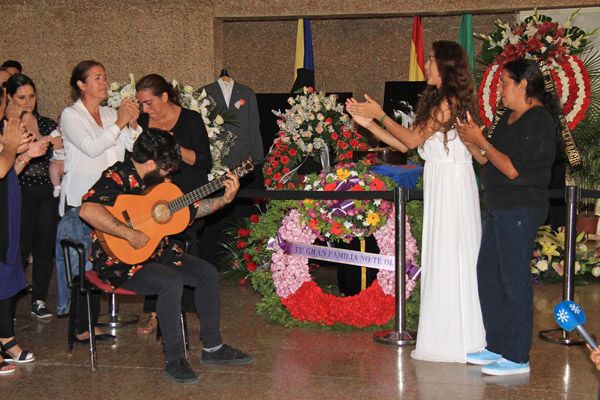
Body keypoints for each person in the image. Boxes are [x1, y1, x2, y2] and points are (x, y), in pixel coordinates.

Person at [345, 40, 485, 363]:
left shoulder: (449, 102)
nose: (427, 65)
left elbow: (409, 138)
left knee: (452, 257)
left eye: (432, 59)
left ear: (447, 66)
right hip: (442, 185)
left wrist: (381, 112)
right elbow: (405, 146)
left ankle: (459, 338)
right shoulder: (438, 100)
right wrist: (369, 124)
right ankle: (443, 334)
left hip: (452, 189)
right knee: (441, 258)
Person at [79, 129, 253, 384]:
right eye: (164, 169)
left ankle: (213, 349)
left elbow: (191, 208)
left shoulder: (160, 184)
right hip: (121, 263)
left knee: (206, 274)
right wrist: (127, 233)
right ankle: (175, 359)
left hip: (158, 254)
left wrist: (223, 200)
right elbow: (87, 210)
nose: (168, 174)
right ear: (149, 163)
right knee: (169, 281)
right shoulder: (117, 176)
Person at [456, 59, 558, 375]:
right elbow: (490, 162)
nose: (500, 89)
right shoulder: (508, 119)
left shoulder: (538, 119)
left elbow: (512, 169)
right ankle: (496, 345)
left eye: (504, 83)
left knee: (513, 280)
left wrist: (481, 140)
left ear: (523, 85)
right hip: (499, 206)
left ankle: (516, 356)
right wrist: (470, 141)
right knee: (488, 275)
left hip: (520, 207)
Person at [55, 60, 140, 331]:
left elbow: (129, 146)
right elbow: (92, 148)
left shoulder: (108, 113)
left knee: (99, 261)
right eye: (97, 78)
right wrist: (120, 122)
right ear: (81, 84)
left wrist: (132, 124)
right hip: (81, 200)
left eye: (104, 77)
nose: (103, 82)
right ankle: (80, 327)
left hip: (108, 201)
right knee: (81, 265)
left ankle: (89, 324)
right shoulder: (71, 116)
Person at [135, 73, 212, 334]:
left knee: (181, 250)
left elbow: (204, 161)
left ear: (164, 97)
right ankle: (157, 313)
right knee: (153, 249)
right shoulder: (143, 122)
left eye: (149, 103)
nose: (146, 109)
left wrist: (172, 146)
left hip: (188, 196)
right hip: (155, 200)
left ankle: (186, 311)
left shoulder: (190, 119)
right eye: (141, 104)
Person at [5, 73, 61, 319]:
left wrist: (40, 135)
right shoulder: (7, 127)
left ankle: (39, 298)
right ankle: (10, 300)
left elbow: (60, 149)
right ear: (8, 97)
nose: (28, 102)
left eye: (32, 96)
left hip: (47, 190)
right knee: (19, 245)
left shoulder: (46, 123)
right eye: (21, 97)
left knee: (45, 243)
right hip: (19, 190)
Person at [0, 116, 48, 373]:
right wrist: (9, 145)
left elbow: (7, 172)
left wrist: (25, 156)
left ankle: (6, 338)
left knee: (7, 277)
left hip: (6, 214)